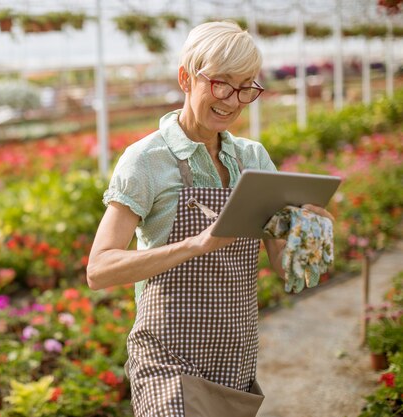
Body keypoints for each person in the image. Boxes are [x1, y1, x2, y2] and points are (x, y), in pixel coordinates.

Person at [86, 21, 334, 417]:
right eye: (221, 83)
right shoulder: (146, 160)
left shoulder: (253, 160)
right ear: (186, 78)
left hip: (235, 361)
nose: (233, 100)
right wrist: (197, 244)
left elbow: (284, 267)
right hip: (167, 362)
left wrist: (310, 236)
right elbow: (99, 269)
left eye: (245, 87)